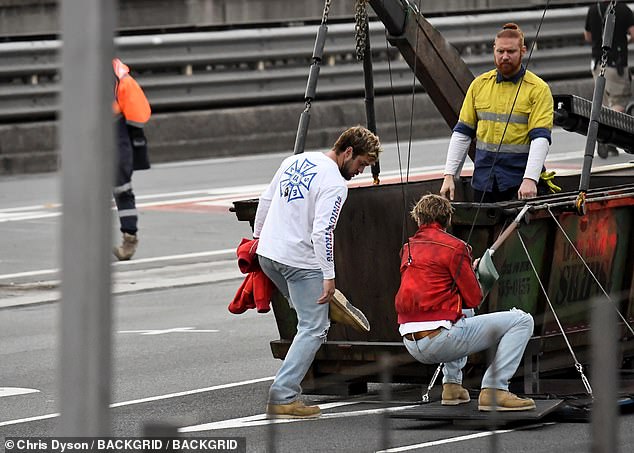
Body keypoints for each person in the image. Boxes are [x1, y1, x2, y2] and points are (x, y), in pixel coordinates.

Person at [253, 126, 382, 419]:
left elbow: (265, 200)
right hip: (299, 261)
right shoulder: (336, 184)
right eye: (361, 164)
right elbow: (323, 231)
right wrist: (329, 276)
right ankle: (283, 395)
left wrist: (256, 239)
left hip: (268, 256)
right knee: (314, 327)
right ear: (348, 152)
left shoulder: (293, 161)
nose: (360, 171)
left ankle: (318, 306)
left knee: (306, 314)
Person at [395, 194, 536, 411]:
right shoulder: (456, 247)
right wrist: (473, 272)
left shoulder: (407, 248)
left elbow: (434, 285)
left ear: (418, 220)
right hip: (440, 340)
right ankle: (495, 389)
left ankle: (452, 386)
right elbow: (474, 298)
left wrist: (466, 271)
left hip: (411, 342)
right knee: (522, 320)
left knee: (463, 313)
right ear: (448, 219)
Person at [440, 23, 554, 203]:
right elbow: (462, 133)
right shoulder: (479, 85)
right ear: (494, 50)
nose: (505, 57)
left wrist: (530, 180)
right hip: (484, 183)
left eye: (511, 52)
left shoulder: (538, 89)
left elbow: (540, 139)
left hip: (519, 185)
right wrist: (449, 175)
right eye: (500, 51)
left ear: (523, 51)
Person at [112, 58, 151, 260]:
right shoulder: (120, 76)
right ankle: (129, 240)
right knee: (123, 193)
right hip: (116, 138)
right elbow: (139, 114)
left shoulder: (79, 73)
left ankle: (85, 242)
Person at [584, 1, 634, 158]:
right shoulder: (624, 9)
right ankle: (608, 139)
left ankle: (603, 135)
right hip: (616, 63)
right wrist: (625, 40)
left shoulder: (593, 9)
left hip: (597, 63)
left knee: (604, 102)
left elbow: (588, 36)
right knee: (619, 102)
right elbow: (633, 34)